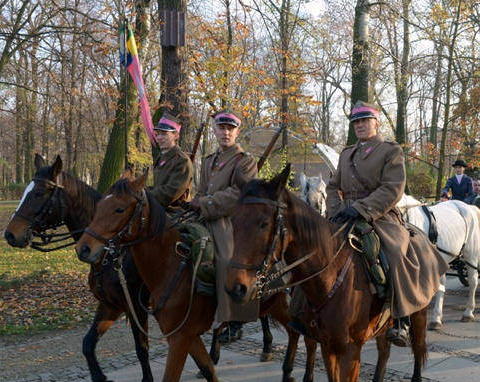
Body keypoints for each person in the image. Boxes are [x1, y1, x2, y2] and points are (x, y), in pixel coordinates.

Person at [290, 101, 449, 347]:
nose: (360, 125)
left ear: (376, 122)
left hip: (381, 216)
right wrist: (339, 210)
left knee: (395, 252)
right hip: (346, 215)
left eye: (365, 121)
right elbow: (333, 187)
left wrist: (361, 209)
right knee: (315, 253)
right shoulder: (346, 154)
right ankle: (302, 313)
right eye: (356, 122)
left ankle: (401, 320)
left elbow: (393, 188)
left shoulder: (390, 151)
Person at [189, 109, 258, 343]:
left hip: (230, 220)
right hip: (204, 215)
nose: (225, 132)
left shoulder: (245, 161)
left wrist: (205, 203)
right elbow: (201, 189)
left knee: (225, 258)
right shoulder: (209, 160)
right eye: (221, 128)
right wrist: (195, 202)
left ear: (237, 132)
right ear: (216, 131)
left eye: (230, 129)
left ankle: (233, 318)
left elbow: (238, 193)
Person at [145, 114, 193, 215]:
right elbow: (158, 186)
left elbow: (171, 192)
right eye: (158, 134)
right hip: (159, 209)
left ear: (176, 135)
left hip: (175, 213)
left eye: (164, 134)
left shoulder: (182, 160)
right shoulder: (162, 157)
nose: (159, 138)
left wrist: (145, 195)